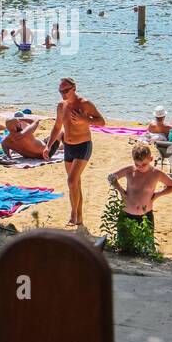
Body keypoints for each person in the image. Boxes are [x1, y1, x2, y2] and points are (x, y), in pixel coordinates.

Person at [45, 77, 105, 229]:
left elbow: (102, 122)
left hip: (83, 145)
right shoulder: (61, 106)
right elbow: (57, 127)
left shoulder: (85, 103)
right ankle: (79, 218)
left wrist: (85, 119)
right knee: (75, 183)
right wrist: (48, 146)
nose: (63, 94)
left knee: (71, 181)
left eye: (66, 91)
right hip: (68, 148)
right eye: (60, 91)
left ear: (74, 88)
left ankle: (73, 215)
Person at [107, 144, 172, 243]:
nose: (140, 167)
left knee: (146, 248)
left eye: (144, 164)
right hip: (126, 214)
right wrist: (121, 191)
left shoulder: (156, 173)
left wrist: (157, 195)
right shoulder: (129, 170)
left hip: (145, 216)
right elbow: (111, 177)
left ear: (151, 159)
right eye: (137, 164)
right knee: (123, 245)